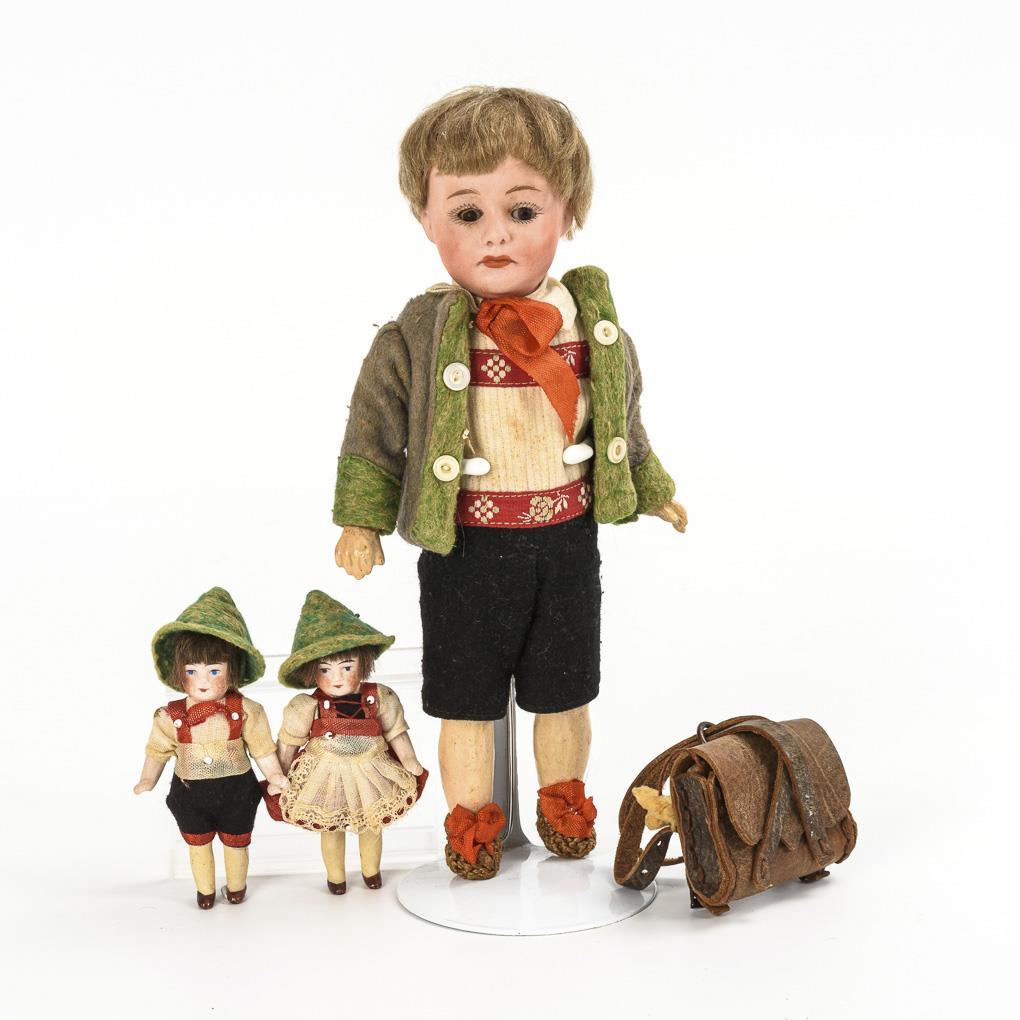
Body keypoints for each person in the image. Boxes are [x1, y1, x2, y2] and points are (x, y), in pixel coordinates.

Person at [332, 87, 686, 879]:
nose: (495, 233)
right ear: (426, 219)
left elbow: (621, 419)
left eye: (522, 210)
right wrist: (361, 519)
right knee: (466, 697)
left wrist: (651, 485)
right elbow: (373, 431)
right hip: (466, 547)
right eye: (467, 212)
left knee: (564, 689)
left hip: (565, 542)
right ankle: (471, 821)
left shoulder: (594, 329)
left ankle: (562, 799)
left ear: (569, 211)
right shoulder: (415, 336)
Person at [135, 586, 288, 908]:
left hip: (238, 791)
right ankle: (204, 891)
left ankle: (236, 888)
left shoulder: (247, 710)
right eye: (192, 671)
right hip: (190, 793)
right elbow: (157, 751)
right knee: (198, 844)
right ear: (179, 673)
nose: (203, 681)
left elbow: (262, 749)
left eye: (214, 671)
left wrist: (275, 775)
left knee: (237, 843)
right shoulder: (169, 716)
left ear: (233, 670)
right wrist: (148, 778)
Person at [275, 591, 425, 893]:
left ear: (363, 661)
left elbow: (395, 731)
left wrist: (409, 759)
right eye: (325, 669)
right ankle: (336, 877)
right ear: (312, 670)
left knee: (372, 822)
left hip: (371, 769)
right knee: (330, 825)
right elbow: (289, 742)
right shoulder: (306, 706)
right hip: (325, 771)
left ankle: (371, 870)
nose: (337, 678)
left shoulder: (379, 696)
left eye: (347, 666)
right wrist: (279, 774)